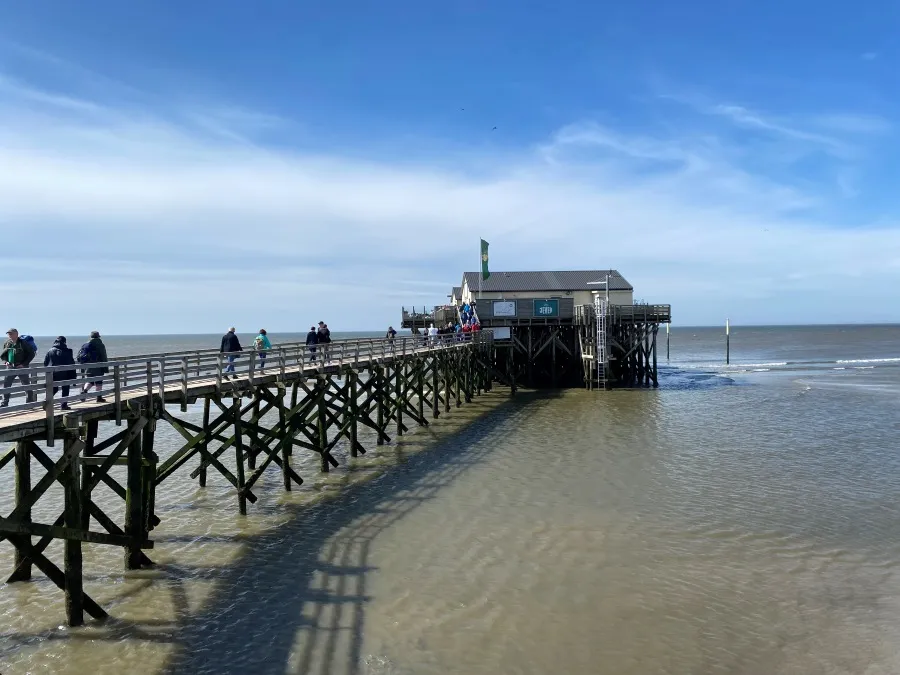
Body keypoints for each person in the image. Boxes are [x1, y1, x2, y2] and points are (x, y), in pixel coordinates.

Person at [1, 328, 37, 407]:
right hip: (10, 367)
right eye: (9, 334)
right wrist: (6, 362)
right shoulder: (7, 343)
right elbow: (3, 355)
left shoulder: (23, 343)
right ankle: (4, 403)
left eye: (11, 334)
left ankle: (29, 403)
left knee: (26, 385)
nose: (10, 336)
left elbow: (31, 354)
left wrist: (24, 364)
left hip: (21, 367)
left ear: (16, 334)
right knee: (6, 385)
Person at [44, 336, 76, 410]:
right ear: (64, 342)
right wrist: (73, 375)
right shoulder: (67, 351)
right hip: (65, 373)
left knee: (54, 388)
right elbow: (71, 363)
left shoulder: (50, 350)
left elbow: (45, 363)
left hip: (53, 373)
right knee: (65, 388)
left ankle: (46, 400)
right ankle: (63, 405)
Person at [78, 331, 108, 402]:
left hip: (88, 367)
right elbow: (104, 356)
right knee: (99, 382)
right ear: (98, 336)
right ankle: (99, 397)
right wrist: (105, 367)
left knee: (90, 381)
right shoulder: (100, 345)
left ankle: (84, 391)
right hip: (98, 366)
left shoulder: (86, 344)